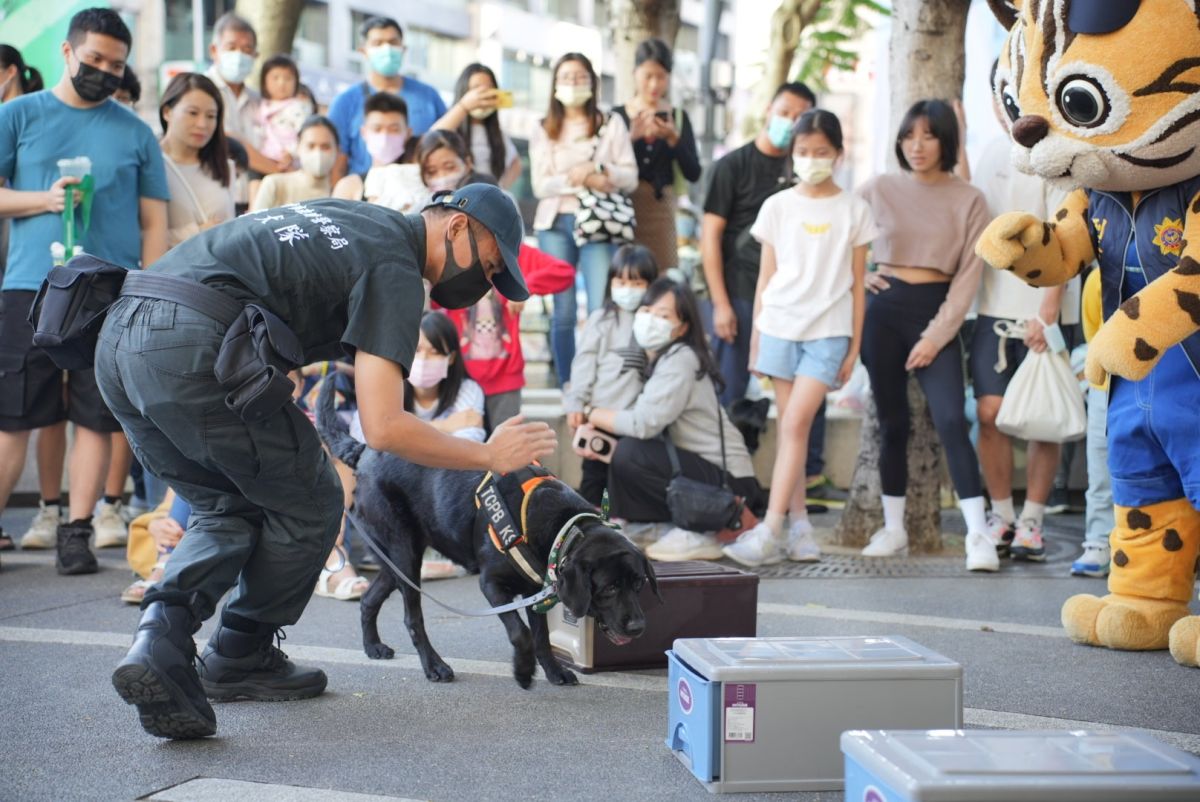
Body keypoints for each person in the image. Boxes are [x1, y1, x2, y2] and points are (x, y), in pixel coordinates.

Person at [96, 183, 555, 739]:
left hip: (118, 336)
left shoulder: (356, 218)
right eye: (489, 264)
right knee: (313, 498)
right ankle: (240, 652)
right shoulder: (397, 266)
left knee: (227, 502)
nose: (483, 281)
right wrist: (488, 455)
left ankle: (158, 641)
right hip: (190, 342)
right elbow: (384, 427)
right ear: (456, 226)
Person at [0, 8, 168, 569]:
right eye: (95, 59)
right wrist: (43, 200)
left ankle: (77, 530)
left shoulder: (136, 132)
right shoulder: (18, 115)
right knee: (15, 414)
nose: (105, 72)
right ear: (67, 52)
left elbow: (153, 222)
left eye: (116, 65)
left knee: (97, 415)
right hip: (32, 285)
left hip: (109, 292)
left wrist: (148, 290)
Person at [723, 110, 874, 568]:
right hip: (779, 328)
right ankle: (801, 527)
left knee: (793, 426)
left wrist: (854, 348)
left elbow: (858, 284)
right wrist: (757, 338)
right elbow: (765, 277)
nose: (812, 159)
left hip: (828, 333)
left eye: (821, 151)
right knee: (795, 429)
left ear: (838, 154)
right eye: (804, 151)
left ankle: (769, 531)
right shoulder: (777, 206)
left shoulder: (854, 210)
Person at [857, 99, 992, 570]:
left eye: (929, 136)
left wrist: (936, 336)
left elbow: (968, 278)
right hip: (883, 312)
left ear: (946, 141)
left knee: (952, 419)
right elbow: (836, 234)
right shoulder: (878, 187)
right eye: (908, 136)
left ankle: (979, 535)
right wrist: (860, 276)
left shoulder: (970, 199)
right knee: (892, 422)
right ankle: (894, 529)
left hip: (938, 312)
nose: (916, 146)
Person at [969, 73, 1077, 562]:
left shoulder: (1057, 156)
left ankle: (1032, 520)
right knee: (988, 414)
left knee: (1042, 421)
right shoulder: (989, 152)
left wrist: (1047, 314)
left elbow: (1064, 238)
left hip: (1045, 313)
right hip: (992, 310)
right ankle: (1002, 515)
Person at [589, 279, 764, 561]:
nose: (650, 320)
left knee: (631, 452)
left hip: (729, 484)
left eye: (663, 316)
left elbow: (643, 423)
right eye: (647, 311)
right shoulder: (662, 357)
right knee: (625, 450)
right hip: (703, 473)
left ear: (682, 327)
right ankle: (650, 525)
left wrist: (590, 413)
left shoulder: (681, 359)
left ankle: (705, 528)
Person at [701, 81, 815, 408]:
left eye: (800, 117)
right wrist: (721, 304)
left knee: (802, 399)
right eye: (784, 112)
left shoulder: (805, 171)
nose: (790, 122)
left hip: (792, 299)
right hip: (740, 292)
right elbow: (709, 237)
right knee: (728, 394)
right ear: (768, 110)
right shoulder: (731, 166)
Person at [531, 52, 638, 386]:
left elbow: (630, 176)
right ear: (555, 84)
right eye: (566, 77)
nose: (573, 83)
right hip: (554, 224)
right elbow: (540, 185)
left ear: (593, 81)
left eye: (580, 76)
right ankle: (569, 385)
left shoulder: (611, 122)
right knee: (562, 311)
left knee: (598, 308)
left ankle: (599, 384)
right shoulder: (543, 127)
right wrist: (584, 179)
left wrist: (599, 168)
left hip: (599, 225)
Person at [564, 244, 658, 506]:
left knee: (628, 481)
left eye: (637, 283)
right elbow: (584, 363)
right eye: (621, 282)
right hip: (600, 418)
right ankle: (594, 525)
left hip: (633, 421)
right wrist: (576, 402)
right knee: (595, 482)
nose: (628, 289)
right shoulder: (601, 320)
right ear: (611, 283)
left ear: (651, 285)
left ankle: (621, 522)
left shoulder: (655, 322)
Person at [612, 38, 701, 271]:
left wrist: (673, 139)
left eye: (661, 77)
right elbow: (604, 163)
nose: (654, 84)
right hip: (623, 209)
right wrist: (631, 138)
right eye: (648, 76)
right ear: (635, 73)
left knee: (663, 274)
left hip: (662, 209)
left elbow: (694, 172)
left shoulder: (678, 117)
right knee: (625, 273)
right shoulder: (617, 116)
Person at [327, 16, 446, 180]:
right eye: (378, 43)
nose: (387, 49)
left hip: (419, 188)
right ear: (363, 51)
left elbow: (446, 144)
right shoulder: (345, 102)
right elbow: (337, 162)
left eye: (393, 42)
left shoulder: (429, 96)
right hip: (363, 191)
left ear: (403, 49)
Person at [205, 13, 283, 203]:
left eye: (246, 49)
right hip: (214, 200)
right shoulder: (201, 91)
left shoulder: (260, 101)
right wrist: (279, 171)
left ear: (255, 56)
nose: (239, 56)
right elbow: (228, 141)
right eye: (231, 47)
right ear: (214, 50)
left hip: (256, 201)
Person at [158, 72, 235, 248]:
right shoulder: (150, 165)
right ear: (167, 112)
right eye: (193, 113)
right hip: (172, 265)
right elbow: (143, 234)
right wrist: (197, 232)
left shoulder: (225, 166)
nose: (202, 124)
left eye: (211, 116)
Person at [1073, 267, 1113, 577]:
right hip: (1107, 382)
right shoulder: (1099, 277)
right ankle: (1099, 540)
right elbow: (1092, 332)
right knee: (1100, 466)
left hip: (1168, 382)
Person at [432, 63, 522, 189]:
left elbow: (515, 163)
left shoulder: (498, 134)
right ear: (464, 92)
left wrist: (500, 189)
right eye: (476, 88)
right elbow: (432, 137)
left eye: (489, 88)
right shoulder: (451, 129)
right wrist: (464, 106)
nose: (483, 94)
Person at [332, 92, 424, 212]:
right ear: (364, 133)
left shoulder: (418, 183)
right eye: (377, 129)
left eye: (394, 129)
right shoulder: (350, 187)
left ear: (408, 133)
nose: (385, 136)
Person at [252, 115, 338, 211]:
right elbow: (254, 219)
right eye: (311, 146)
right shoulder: (275, 185)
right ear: (298, 147)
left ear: (337, 150)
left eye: (325, 147)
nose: (318, 153)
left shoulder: (341, 195)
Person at [256, 54, 314, 171]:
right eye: (275, 78)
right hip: (263, 160)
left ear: (296, 82)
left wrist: (292, 153)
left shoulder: (298, 107)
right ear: (264, 82)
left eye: (288, 78)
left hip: (289, 163)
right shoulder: (261, 105)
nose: (281, 83)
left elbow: (305, 135)